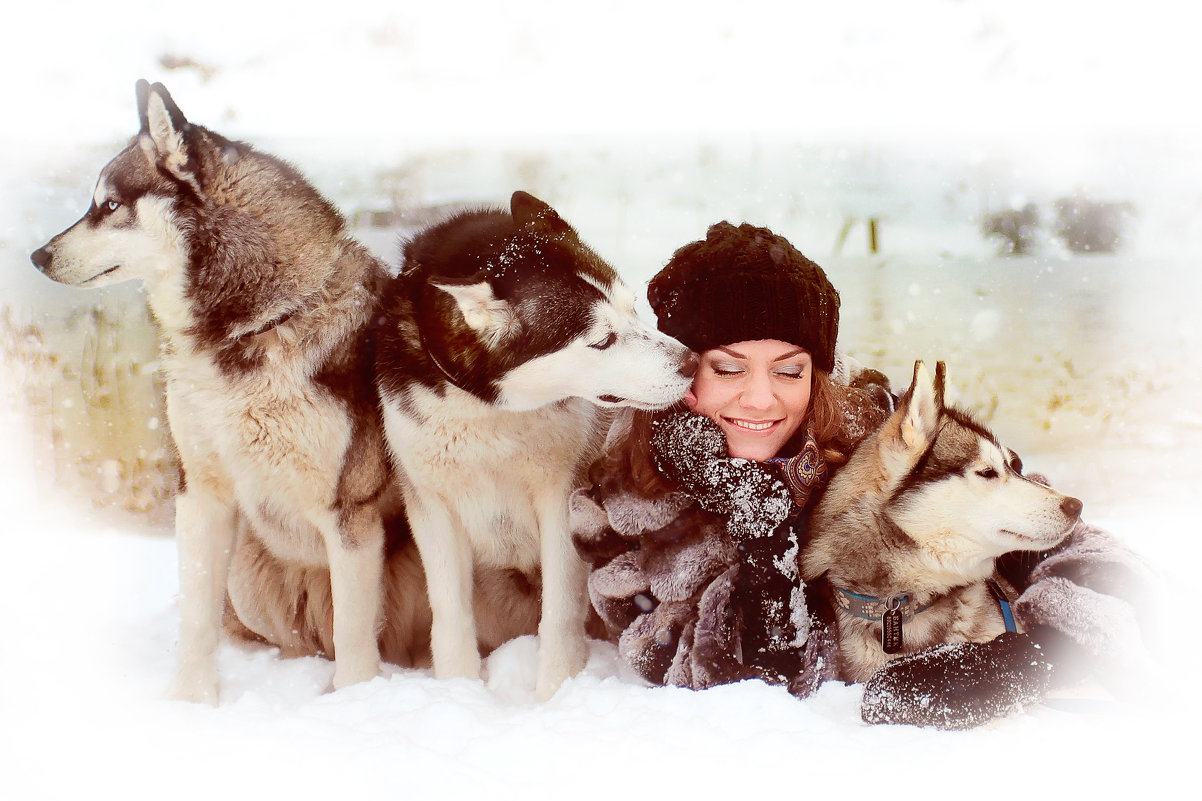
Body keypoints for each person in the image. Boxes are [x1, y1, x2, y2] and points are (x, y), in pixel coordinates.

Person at [571, 221, 1154, 727]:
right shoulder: (634, 515)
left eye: (788, 371)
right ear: (681, 376)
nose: (760, 399)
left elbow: (1079, 545)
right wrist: (760, 525)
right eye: (727, 369)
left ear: (815, 376)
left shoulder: (882, 437)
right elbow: (723, 680)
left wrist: (1042, 655)